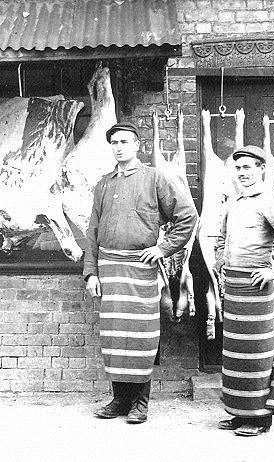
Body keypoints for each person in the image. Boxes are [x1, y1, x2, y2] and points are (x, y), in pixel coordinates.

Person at [83, 122, 198, 424]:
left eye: (124, 141)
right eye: (114, 142)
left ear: (137, 146)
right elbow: (92, 230)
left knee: (140, 335)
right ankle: (120, 400)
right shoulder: (104, 183)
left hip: (141, 268)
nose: (119, 147)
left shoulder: (155, 178)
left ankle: (140, 403)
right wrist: (91, 272)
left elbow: (187, 216)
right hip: (109, 269)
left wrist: (163, 249)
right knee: (115, 336)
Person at [214, 145, 274, 436]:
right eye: (238, 168)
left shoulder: (270, 201)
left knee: (258, 353)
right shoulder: (234, 202)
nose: (243, 173)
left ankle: (259, 418)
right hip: (234, 288)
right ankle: (239, 412)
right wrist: (222, 263)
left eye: (248, 167)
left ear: (261, 169)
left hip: (258, 289)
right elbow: (220, 239)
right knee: (235, 353)